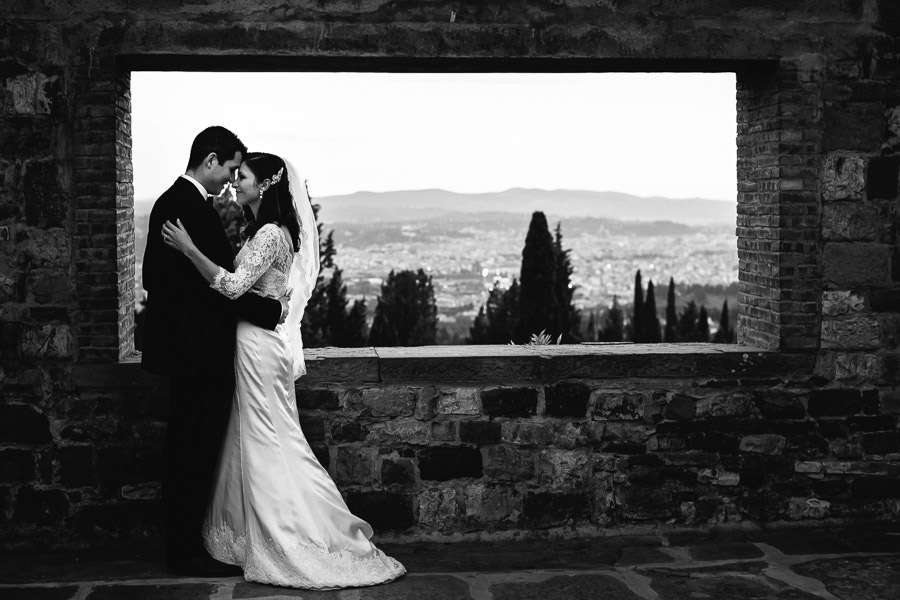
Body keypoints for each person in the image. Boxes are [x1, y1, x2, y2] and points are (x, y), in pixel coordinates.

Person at [161, 152, 406, 589]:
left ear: (266, 185)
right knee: (254, 437)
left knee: (269, 438)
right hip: (254, 345)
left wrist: (189, 249)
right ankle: (251, 531)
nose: (236, 183)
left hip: (257, 349)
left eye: (244, 177)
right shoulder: (263, 230)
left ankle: (291, 533)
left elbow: (234, 287)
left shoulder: (272, 233)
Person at [141, 126, 288, 577]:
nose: (230, 179)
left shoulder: (194, 205)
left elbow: (213, 281)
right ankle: (184, 551)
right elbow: (160, 280)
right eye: (228, 168)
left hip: (203, 353)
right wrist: (263, 310)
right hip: (195, 354)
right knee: (189, 449)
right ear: (209, 160)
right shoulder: (176, 205)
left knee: (197, 448)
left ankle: (189, 546)